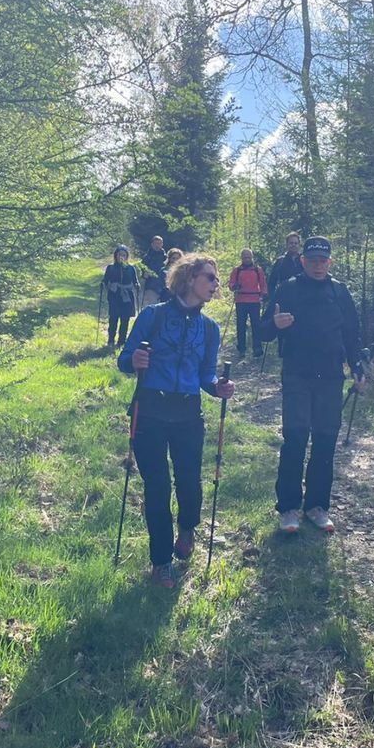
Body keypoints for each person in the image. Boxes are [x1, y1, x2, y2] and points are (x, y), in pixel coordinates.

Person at [119, 253, 237, 587]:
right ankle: (160, 562)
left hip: (187, 413)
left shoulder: (210, 328)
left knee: (189, 483)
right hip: (150, 412)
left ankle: (187, 527)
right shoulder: (152, 317)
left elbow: (205, 376)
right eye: (210, 278)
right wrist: (136, 360)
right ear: (188, 279)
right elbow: (124, 360)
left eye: (215, 279)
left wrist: (219, 387)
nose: (216, 284)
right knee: (157, 488)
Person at [260, 236, 363, 534]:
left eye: (323, 261)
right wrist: (274, 325)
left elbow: (352, 334)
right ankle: (289, 508)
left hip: (331, 375)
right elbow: (264, 331)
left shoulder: (340, 291)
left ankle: (317, 506)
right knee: (294, 438)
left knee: (325, 440)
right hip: (296, 374)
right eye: (312, 260)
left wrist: (358, 368)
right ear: (303, 261)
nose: (318, 265)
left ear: (329, 263)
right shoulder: (287, 289)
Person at [228, 248, 268, 358]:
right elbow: (231, 283)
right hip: (240, 300)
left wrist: (264, 294)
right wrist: (234, 286)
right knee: (240, 326)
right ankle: (241, 349)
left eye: (249, 257)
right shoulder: (237, 270)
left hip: (254, 300)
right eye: (245, 257)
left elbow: (263, 283)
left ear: (252, 257)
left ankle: (257, 348)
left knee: (256, 325)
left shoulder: (257, 270)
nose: (247, 259)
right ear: (241, 258)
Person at [101, 245, 140, 349]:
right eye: (119, 255)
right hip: (114, 295)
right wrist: (103, 284)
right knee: (113, 318)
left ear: (127, 256)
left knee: (125, 319)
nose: (121, 257)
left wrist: (137, 285)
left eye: (124, 255)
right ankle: (110, 340)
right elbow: (106, 280)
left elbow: (135, 281)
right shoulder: (111, 268)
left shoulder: (131, 268)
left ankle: (121, 341)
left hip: (127, 296)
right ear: (116, 256)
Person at [266, 231, 304, 298]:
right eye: (291, 243)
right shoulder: (280, 261)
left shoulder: (304, 261)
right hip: (285, 298)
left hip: (302, 297)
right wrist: (273, 298)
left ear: (299, 245)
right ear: (287, 244)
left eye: (296, 243)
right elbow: (272, 282)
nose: (293, 245)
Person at [141, 235, 167, 307]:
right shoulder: (147, 257)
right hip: (151, 286)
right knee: (152, 308)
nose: (157, 245)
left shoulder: (166, 257)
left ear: (162, 244)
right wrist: (145, 274)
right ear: (152, 244)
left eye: (159, 243)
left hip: (164, 287)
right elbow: (143, 271)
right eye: (156, 243)